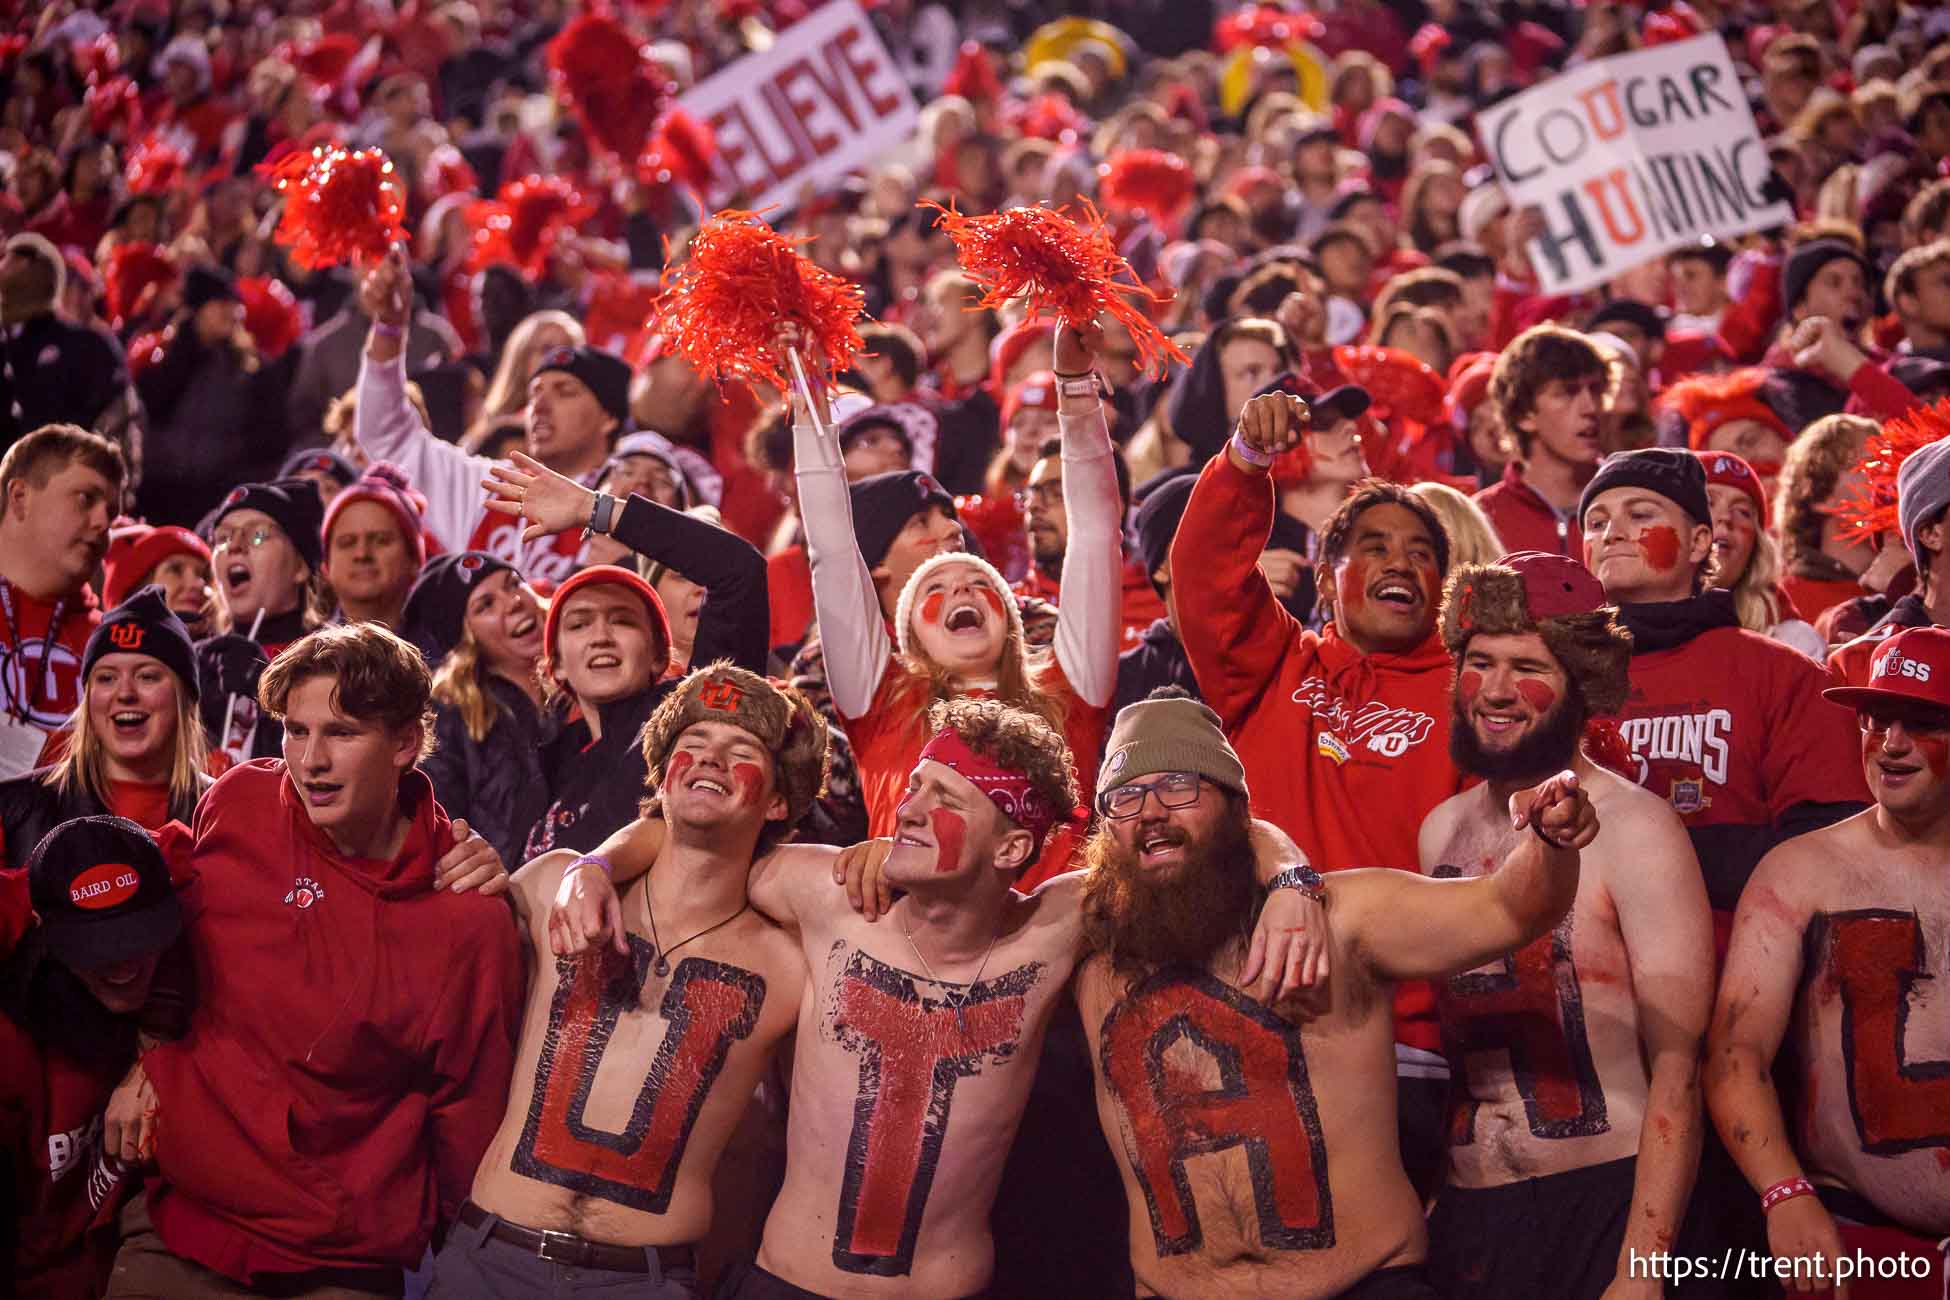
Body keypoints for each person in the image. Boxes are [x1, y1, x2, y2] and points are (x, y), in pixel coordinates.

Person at [556, 695, 1326, 1299]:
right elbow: (689, 838)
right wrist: (590, 864)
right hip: (787, 1285)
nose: (911, 809)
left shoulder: (1055, 927)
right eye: (916, 787)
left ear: (1013, 848)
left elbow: (1192, 840)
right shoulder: (827, 893)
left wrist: (1292, 877)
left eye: (946, 798)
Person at [1075, 689, 1602, 1299]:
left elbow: (1512, 908)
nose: (1151, 811)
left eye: (1179, 785)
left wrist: (1550, 840)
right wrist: (1288, 868)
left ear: (1236, 811)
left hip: (1363, 1285)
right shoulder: (1087, 946)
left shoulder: (1347, 917)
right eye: (1126, 796)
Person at [101, 622, 522, 1300]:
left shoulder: (467, 919)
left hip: (336, 1261)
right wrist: (145, 1054)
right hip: (179, 1224)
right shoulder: (237, 801)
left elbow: (467, 1114)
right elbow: (159, 936)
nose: (311, 761)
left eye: (343, 733)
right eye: (296, 731)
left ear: (407, 743)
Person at [432, 665, 828, 1300]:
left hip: (646, 1279)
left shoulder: (792, 963)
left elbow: (782, 1143)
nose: (710, 761)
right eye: (692, 745)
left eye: (742, 752)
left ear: (779, 799)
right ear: (661, 773)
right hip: (489, 1255)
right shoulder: (550, 883)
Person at [1172, 388, 1467, 1198]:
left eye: (1420, 551)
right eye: (1371, 546)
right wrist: (1245, 465)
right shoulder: (1276, 664)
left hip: (1406, 1045)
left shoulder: (1473, 697)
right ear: (1331, 578)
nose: (1399, 561)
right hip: (1247, 1018)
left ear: (1443, 585)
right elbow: (1203, 576)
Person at [1419, 551, 1715, 1298]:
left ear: (1582, 686)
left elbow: (1679, 1065)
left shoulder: (1639, 828)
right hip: (1475, 1215)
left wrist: (1641, 1268)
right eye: (1478, 660)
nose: (1494, 690)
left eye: (1526, 665)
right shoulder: (1440, 832)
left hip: (1607, 1205)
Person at [795, 322, 1121, 885]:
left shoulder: (1070, 689)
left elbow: (1094, 533)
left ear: (1014, 621)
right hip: (913, 947)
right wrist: (808, 392)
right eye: (934, 590)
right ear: (908, 637)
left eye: (981, 583)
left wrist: (1074, 388)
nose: (962, 590)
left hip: (1056, 946)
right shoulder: (882, 700)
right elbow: (831, 548)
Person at [1705, 626, 1950, 1298]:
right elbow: (1734, 1055)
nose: (1890, 744)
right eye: (1875, 721)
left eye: (1922, 722)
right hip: (1860, 1243)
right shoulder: (1801, 871)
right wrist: (1784, 1194)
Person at [1577, 447, 1870, 939]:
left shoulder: (1783, 673)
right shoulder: (1557, 679)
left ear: (1698, 543)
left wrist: (1660, 864)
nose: (1612, 532)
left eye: (1641, 514)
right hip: (1582, 989)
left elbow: (1832, 848)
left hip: (1748, 971)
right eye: (1596, 521)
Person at [356, 247, 627, 584]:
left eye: (565, 392)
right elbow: (387, 436)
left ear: (608, 418)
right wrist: (389, 328)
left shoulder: (632, 494)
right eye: (535, 393)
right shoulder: (487, 486)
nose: (540, 406)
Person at [0, 816, 188, 1297]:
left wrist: (154, 1043)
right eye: (97, 946)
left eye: (138, 934)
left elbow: (193, 851)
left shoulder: (180, 887)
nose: (124, 963)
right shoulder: (15, 1052)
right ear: (44, 931)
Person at [0, 588, 208, 865]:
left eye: (147, 676)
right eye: (107, 678)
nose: (124, 693)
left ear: (186, 699)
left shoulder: (222, 810)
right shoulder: (13, 810)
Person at [406, 551, 551, 871]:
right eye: (486, 605)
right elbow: (444, 834)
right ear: (465, 639)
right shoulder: (447, 720)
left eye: (514, 584)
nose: (513, 602)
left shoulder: (583, 683)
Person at [0, 424, 123, 780]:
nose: (103, 523)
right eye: (86, 498)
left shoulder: (115, 645)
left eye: (112, 514)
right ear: (20, 497)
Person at [194, 478, 324, 766]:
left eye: (258, 535)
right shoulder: (197, 662)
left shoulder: (333, 657)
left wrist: (268, 698)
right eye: (223, 538)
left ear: (301, 567)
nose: (236, 546)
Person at [0, 233, 138, 462]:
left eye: (18, 261)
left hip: (63, 484)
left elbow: (118, 424)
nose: (5, 269)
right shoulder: (7, 341)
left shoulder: (86, 345)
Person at [1473, 324, 1608, 559]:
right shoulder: (1481, 519)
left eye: (1596, 390)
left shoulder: (1631, 503)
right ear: (1523, 414)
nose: (1591, 407)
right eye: (1568, 392)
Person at [1695, 450, 1827, 658]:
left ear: (1756, 547)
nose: (1725, 517)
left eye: (1743, 512)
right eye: (1708, 502)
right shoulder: (1627, 625)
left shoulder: (1793, 643)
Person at [320, 464, 429, 629]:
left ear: (414, 559)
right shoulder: (302, 654)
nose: (362, 554)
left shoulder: (455, 653)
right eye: (347, 542)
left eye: (381, 540)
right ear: (326, 565)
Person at [102, 524, 215, 639]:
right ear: (139, 588)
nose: (198, 584)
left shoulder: (225, 652)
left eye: (204, 575)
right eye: (175, 570)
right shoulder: (104, 653)